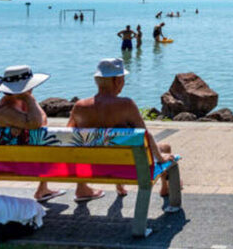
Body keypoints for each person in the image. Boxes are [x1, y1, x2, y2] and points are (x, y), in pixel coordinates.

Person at [68, 59, 178, 202]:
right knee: (165, 148)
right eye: (123, 79)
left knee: (98, 144)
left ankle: (83, 187)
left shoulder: (80, 106)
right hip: (126, 167)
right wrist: (160, 157)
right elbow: (145, 135)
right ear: (117, 81)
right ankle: (165, 187)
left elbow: (69, 136)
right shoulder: (126, 105)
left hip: (92, 167)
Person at [0, 65, 63, 202]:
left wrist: (24, 123)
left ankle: (43, 189)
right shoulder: (5, 109)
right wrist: (30, 99)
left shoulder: (16, 102)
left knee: (42, 141)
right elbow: (37, 123)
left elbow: (43, 120)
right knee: (48, 144)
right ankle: (43, 188)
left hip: (17, 157)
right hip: (8, 163)